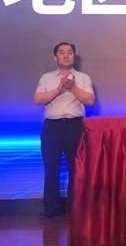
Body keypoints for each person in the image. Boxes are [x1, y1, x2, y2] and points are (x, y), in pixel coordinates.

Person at [34, 42, 94, 217]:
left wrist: (72, 87)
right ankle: (51, 209)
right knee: (51, 168)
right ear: (55, 58)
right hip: (52, 127)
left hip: (75, 126)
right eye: (62, 52)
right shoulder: (46, 78)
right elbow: (38, 99)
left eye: (69, 52)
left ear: (74, 56)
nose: (66, 55)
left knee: (76, 168)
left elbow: (90, 101)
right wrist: (59, 89)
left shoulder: (83, 77)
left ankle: (74, 208)